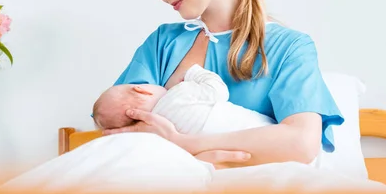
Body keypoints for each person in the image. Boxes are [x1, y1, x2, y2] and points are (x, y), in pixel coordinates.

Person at [103, 0, 344, 168]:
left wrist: (186, 146)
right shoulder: (162, 43)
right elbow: (116, 124)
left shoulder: (288, 47)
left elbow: (301, 143)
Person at [92, 64, 275, 135]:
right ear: (142, 90)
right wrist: (194, 73)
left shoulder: (156, 133)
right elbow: (219, 91)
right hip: (255, 128)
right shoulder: (180, 93)